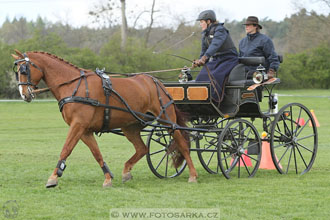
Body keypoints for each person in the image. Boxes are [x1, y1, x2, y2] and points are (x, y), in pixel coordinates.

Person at [193, 10, 238, 102]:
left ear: (208, 21)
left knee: (216, 75)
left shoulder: (220, 30)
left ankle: (214, 100)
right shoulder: (205, 34)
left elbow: (215, 45)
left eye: (202, 22)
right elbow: (204, 50)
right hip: (216, 59)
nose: (200, 24)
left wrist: (205, 58)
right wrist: (199, 61)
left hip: (229, 59)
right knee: (201, 76)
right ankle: (198, 99)